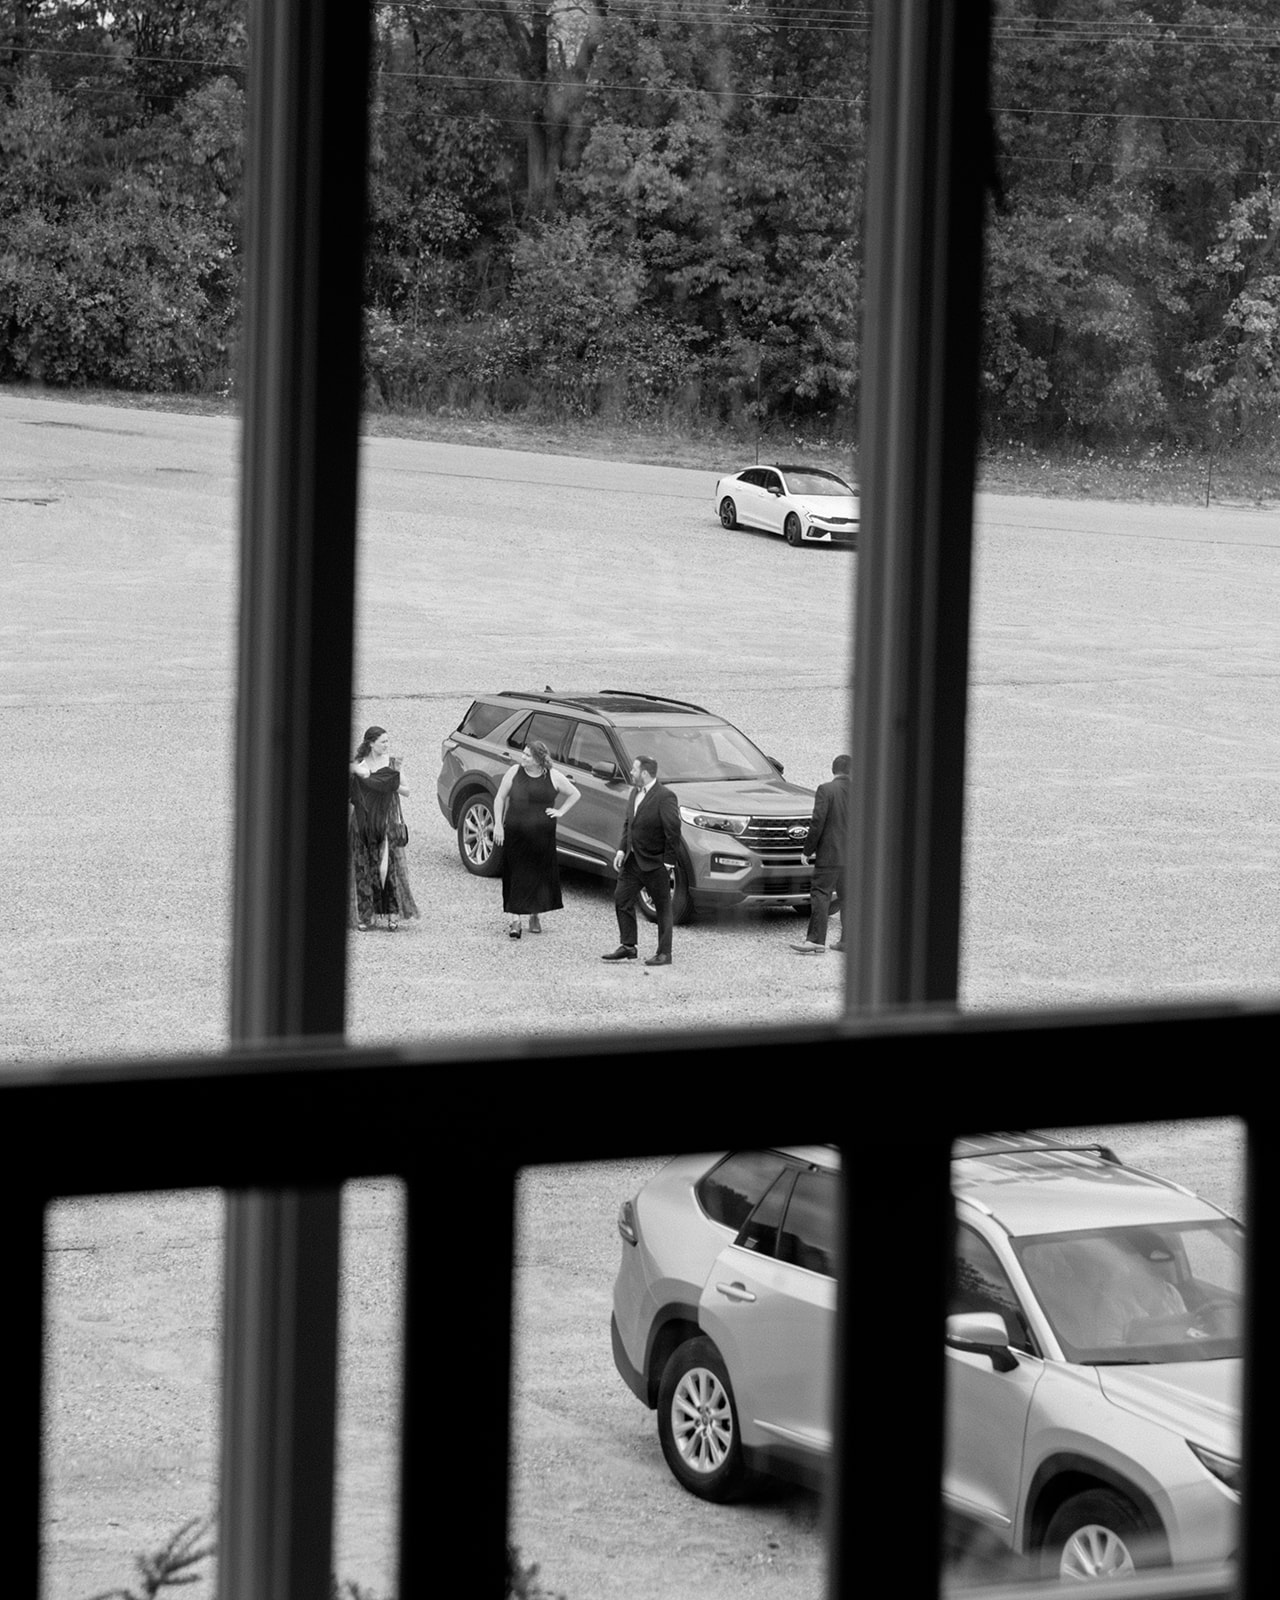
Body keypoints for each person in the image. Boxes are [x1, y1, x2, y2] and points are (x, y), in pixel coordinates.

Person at [493, 740, 581, 938]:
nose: (523, 757)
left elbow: (575, 794)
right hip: (515, 832)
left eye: (528, 755)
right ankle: (515, 921)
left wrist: (560, 811)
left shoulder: (553, 776)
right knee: (515, 873)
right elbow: (500, 797)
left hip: (542, 835)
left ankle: (535, 914)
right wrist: (498, 824)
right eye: (523, 753)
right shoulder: (514, 772)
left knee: (537, 875)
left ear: (539, 759)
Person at [602, 756, 682, 967]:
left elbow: (673, 831)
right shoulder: (634, 792)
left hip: (655, 863)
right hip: (633, 860)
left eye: (634, 769)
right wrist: (622, 849)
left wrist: (668, 863)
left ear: (645, 773)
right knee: (621, 898)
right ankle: (628, 945)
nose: (631, 772)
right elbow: (629, 823)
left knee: (662, 908)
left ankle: (664, 953)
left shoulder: (665, 796)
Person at [349, 725, 419, 931]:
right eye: (383, 742)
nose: (387, 745)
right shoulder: (359, 765)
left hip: (385, 821)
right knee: (363, 868)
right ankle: (366, 916)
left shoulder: (392, 764)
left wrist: (389, 784)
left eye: (388, 741)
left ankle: (392, 913)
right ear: (371, 744)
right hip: (363, 822)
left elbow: (407, 791)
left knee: (387, 868)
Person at [792, 753, 852, 954]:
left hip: (830, 854)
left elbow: (818, 822)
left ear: (834, 770)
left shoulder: (826, 790)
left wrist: (807, 850)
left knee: (821, 893)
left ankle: (816, 940)